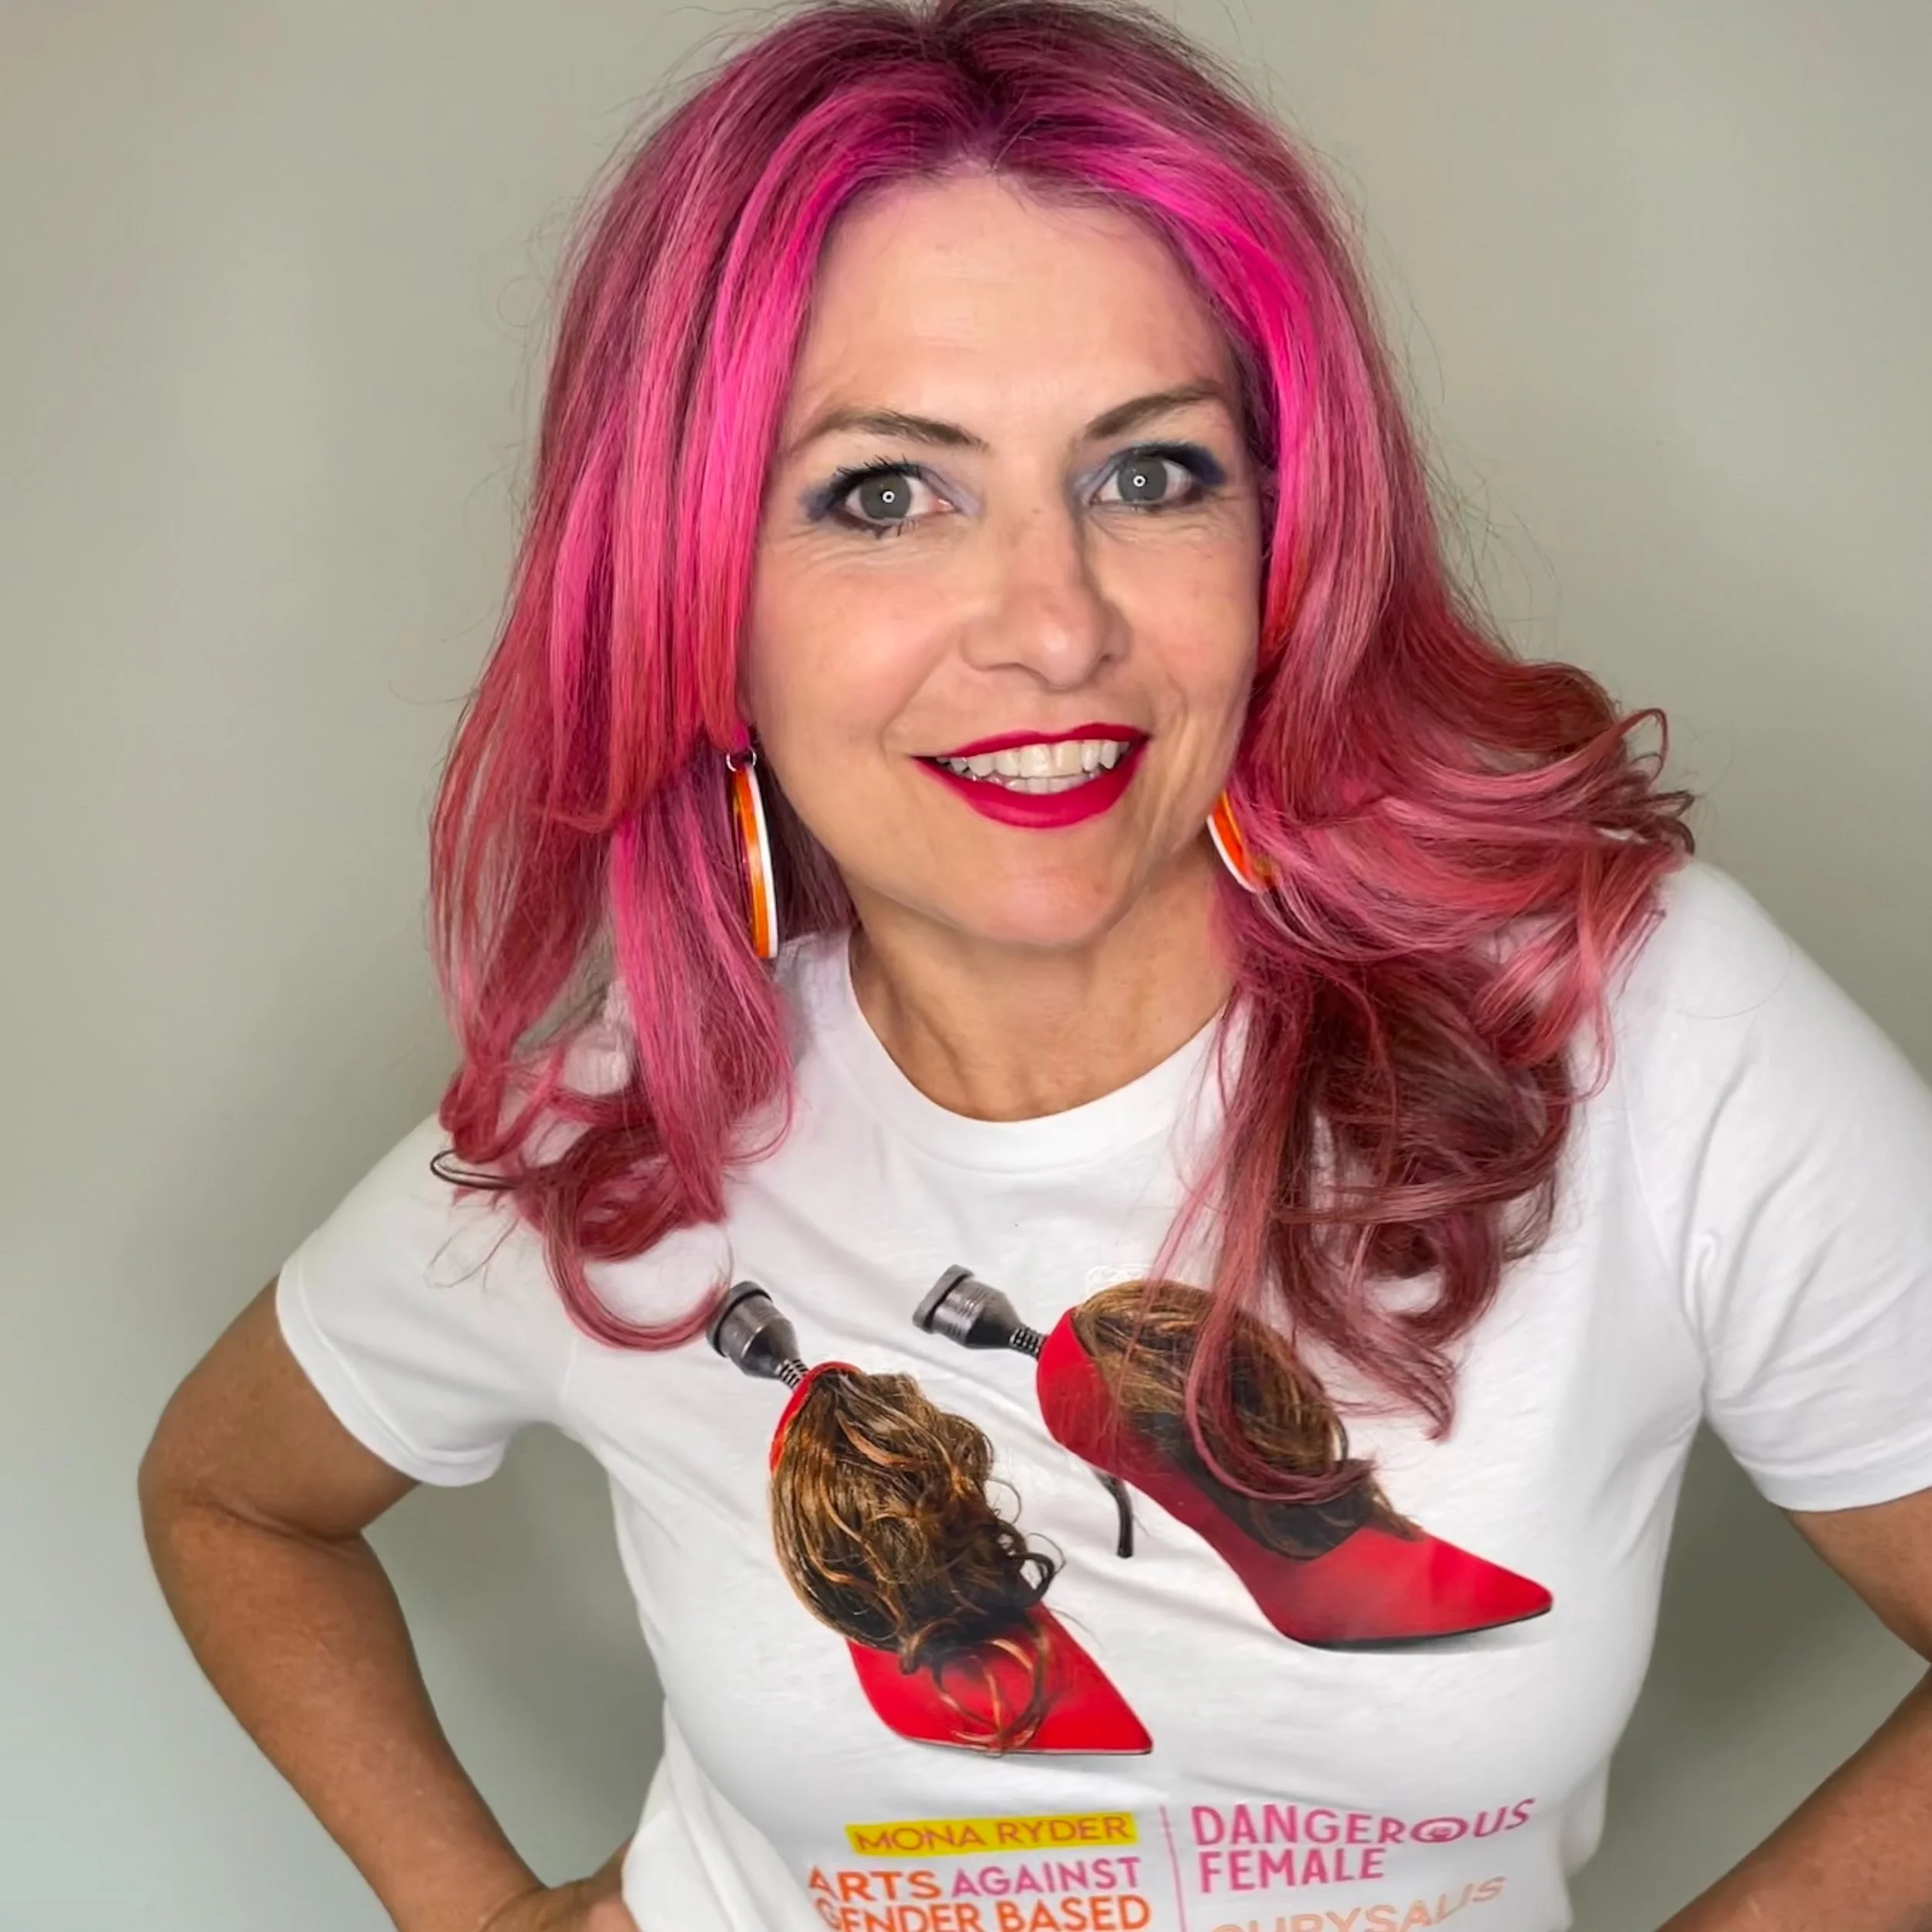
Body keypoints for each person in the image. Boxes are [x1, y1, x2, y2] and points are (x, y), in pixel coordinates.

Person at [137, 2, 1932, 1929]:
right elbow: (229, 1494)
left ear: (1281, 547)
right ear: (696, 602)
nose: (1053, 627)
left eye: (1148, 473)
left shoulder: (1625, 1026)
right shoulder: (625, 1145)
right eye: (882, 493)